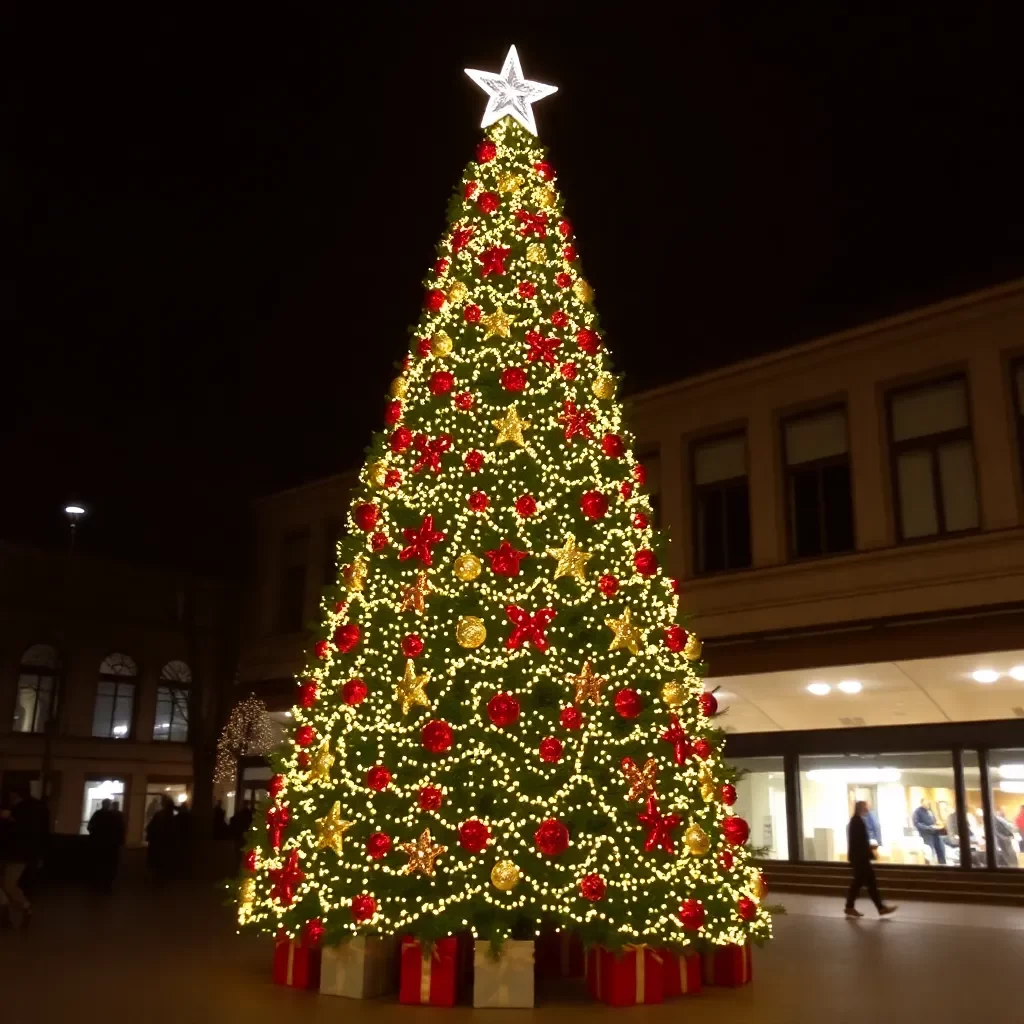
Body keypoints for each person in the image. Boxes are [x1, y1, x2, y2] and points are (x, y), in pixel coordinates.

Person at [845, 800, 897, 918]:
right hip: (860, 858)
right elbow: (859, 842)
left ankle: (852, 906)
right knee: (865, 883)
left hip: (859, 858)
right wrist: (870, 849)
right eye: (866, 807)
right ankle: (879, 908)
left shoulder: (856, 821)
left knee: (862, 883)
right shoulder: (857, 822)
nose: (867, 810)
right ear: (861, 808)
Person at [0, 790, 38, 927]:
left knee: (8, 885)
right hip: (13, 854)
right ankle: (10, 911)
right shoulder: (20, 811)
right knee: (7, 885)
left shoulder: (21, 812)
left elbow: (16, 833)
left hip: (16, 855)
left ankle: (24, 907)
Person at [87, 798, 124, 888]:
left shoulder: (98, 814)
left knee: (98, 863)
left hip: (98, 844)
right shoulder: (114, 816)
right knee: (109, 864)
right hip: (110, 844)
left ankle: (97, 882)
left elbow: (90, 827)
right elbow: (119, 829)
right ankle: (107, 883)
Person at [145, 796, 177, 882]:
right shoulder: (171, 816)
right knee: (162, 862)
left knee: (157, 862)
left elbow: (151, 827)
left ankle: (157, 879)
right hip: (164, 843)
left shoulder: (160, 815)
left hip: (158, 842)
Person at [912, 798, 946, 865]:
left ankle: (943, 864)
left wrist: (937, 823)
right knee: (930, 851)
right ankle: (931, 866)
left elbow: (933, 820)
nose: (927, 804)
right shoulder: (917, 811)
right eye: (926, 803)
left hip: (935, 832)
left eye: (928, 803)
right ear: (921, 803)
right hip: (926, 834)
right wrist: (928, 827)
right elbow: (916, 824)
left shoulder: (930, 810)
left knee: (941, 849)